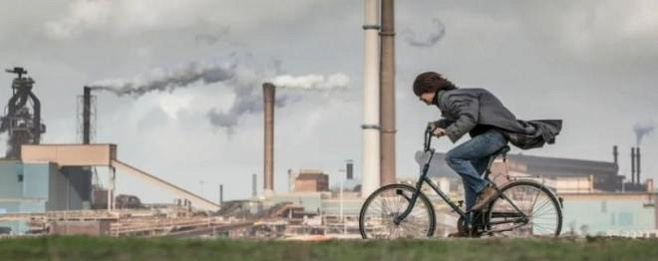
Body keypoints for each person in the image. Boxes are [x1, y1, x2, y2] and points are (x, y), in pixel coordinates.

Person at [413, 71, 562, 214]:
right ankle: (471, 226)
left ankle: (485, 190)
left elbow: (469, 118)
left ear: (430, 89)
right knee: (470, 177)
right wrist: (438, 124)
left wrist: (447, 131)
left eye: (420, 95)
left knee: (452, 157)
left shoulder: (449, 97)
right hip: (493, 136)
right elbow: (459, 117)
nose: (420, 99)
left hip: (494, 135)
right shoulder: (450, 98)